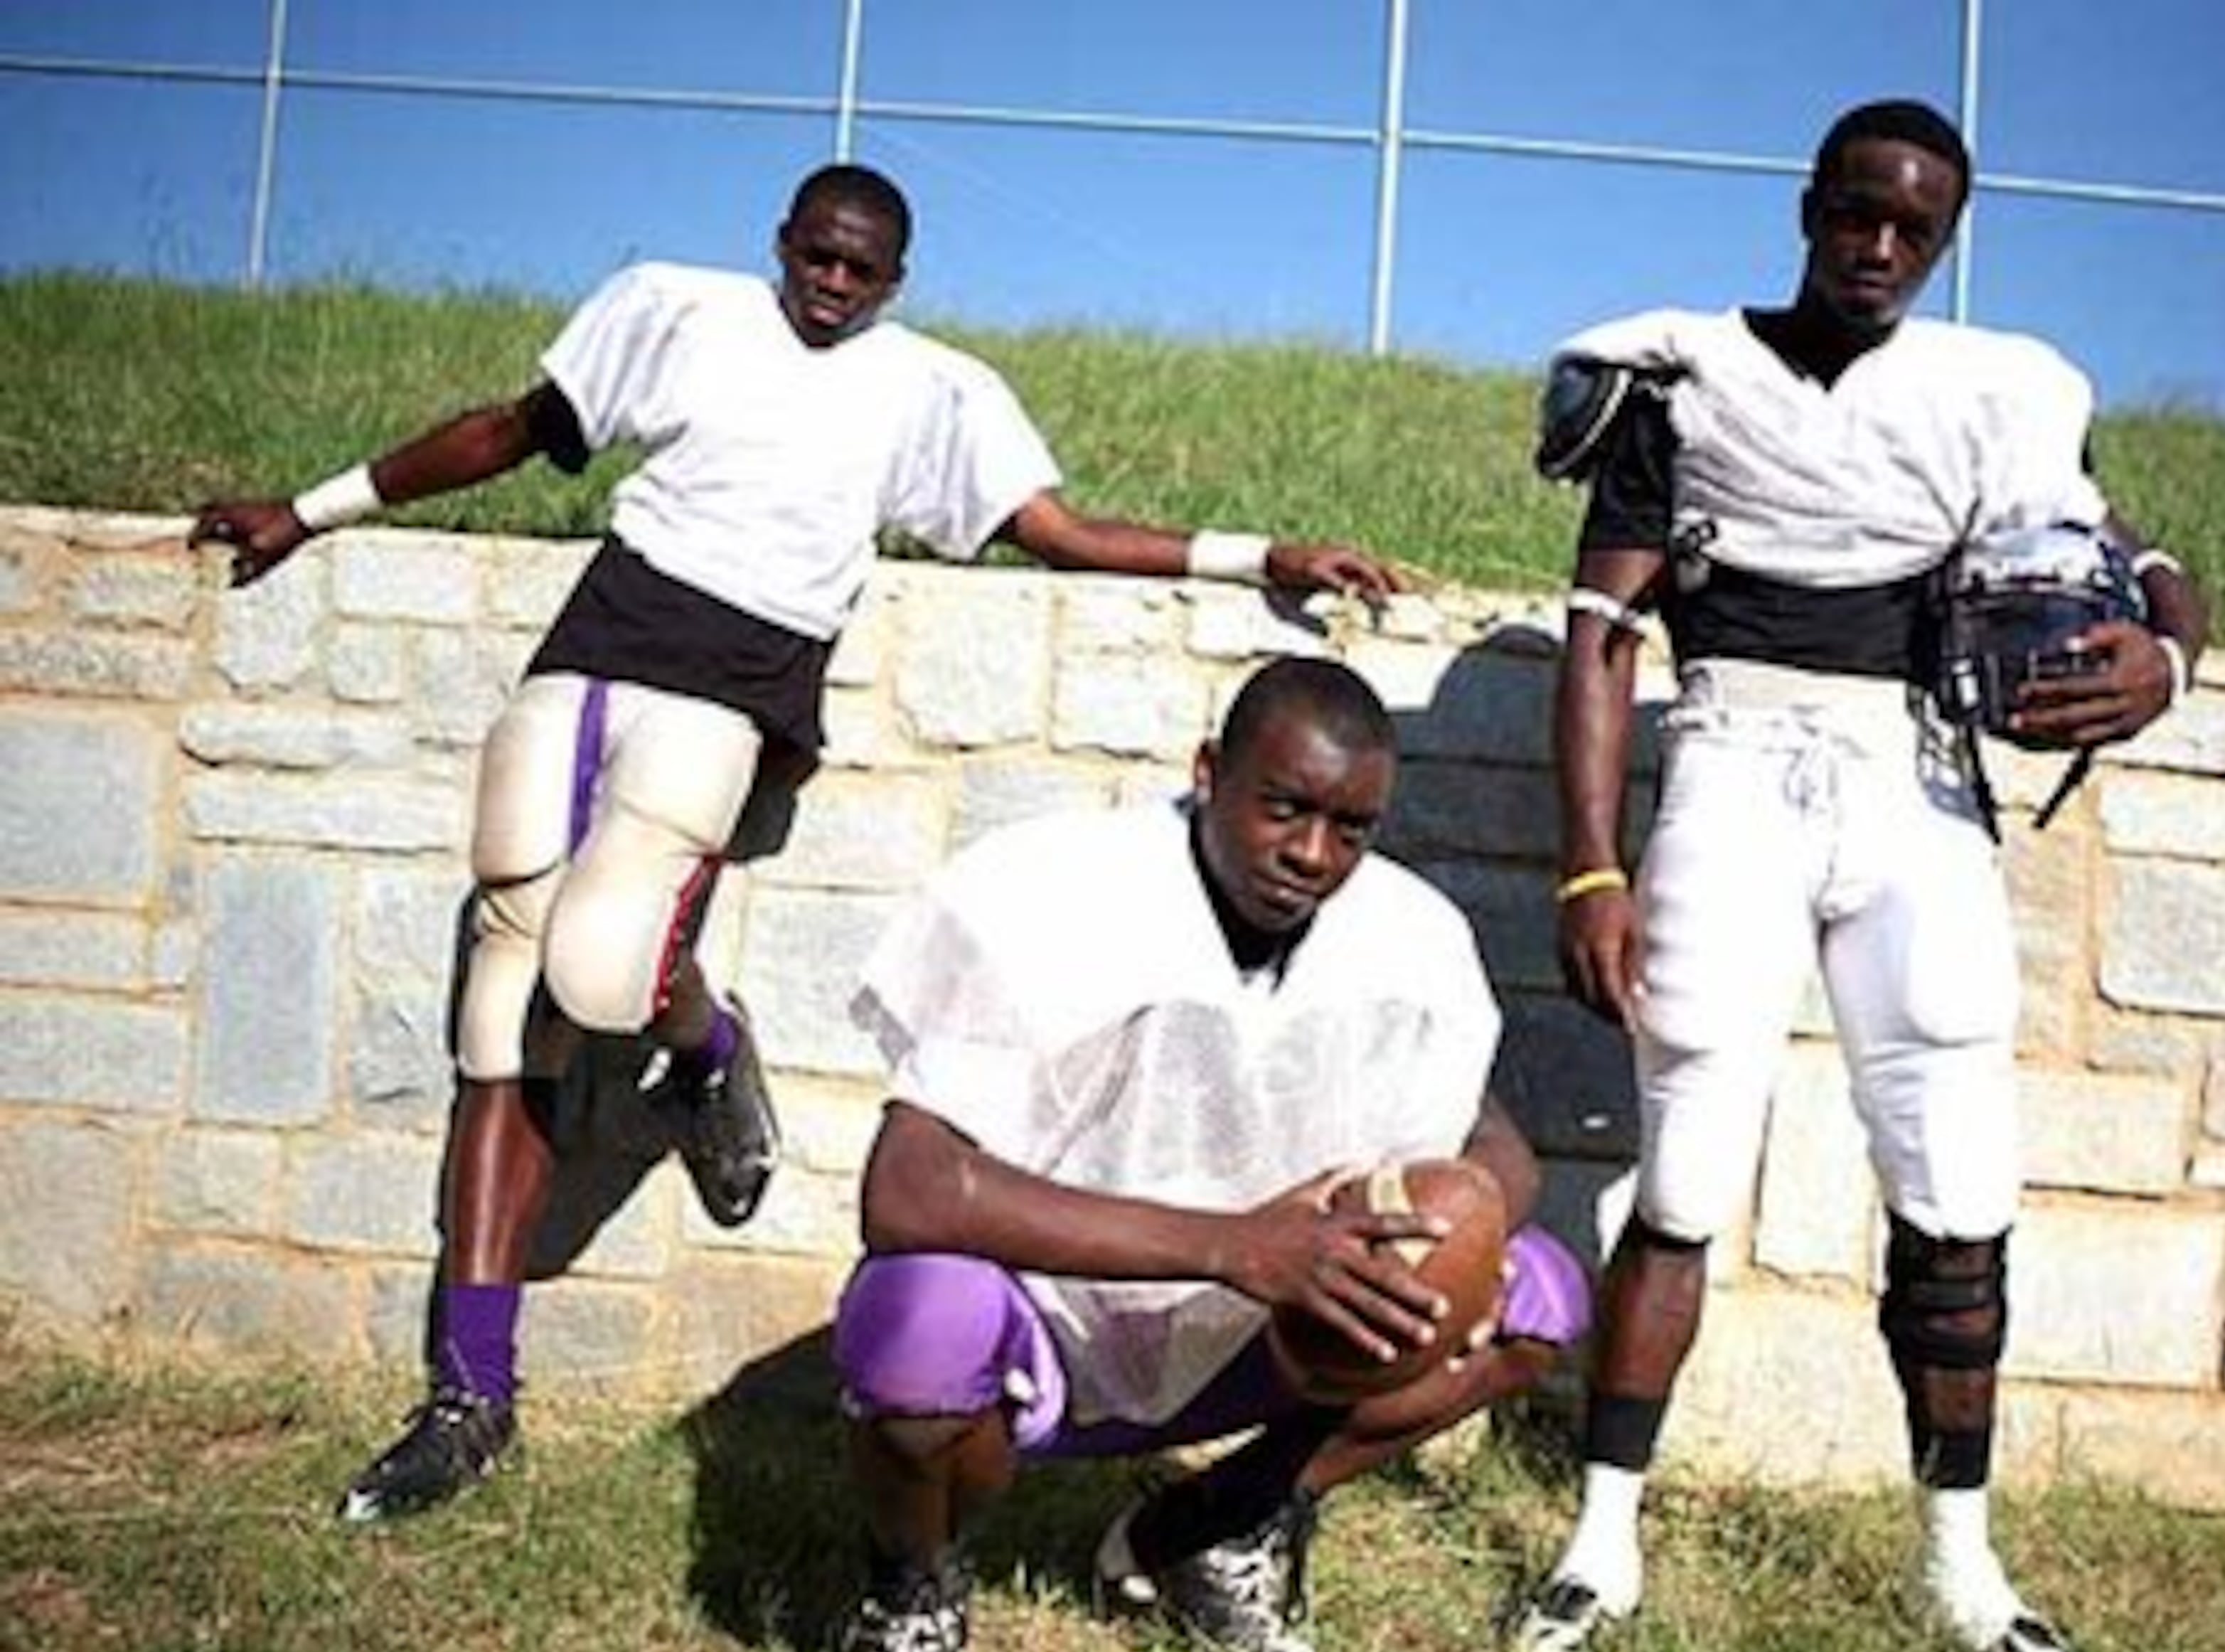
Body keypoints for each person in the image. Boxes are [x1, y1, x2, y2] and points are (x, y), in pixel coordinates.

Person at [187, 164, 1399, 1528]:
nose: (832, 284)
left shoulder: (932, 389)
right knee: (501, 991)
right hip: (600, 641)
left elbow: (1056, 534)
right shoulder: (677, 310)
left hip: (738, 681)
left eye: (861, 270)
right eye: (816, 257)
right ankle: (471, 1391)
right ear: (780, 244)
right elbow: (513, 431)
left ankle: (710, 1050)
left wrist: (1257, 557)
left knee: (602, 970)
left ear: (896, 280)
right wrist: (309, 508)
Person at [1506, 99, 2214, 1652]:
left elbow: (2148, 557)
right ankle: (1602, 1534)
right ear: (1810, 205)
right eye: (1859, 213)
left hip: (1915, 782)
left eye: (1916, 226)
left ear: (1945, 236)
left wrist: (2170, 659)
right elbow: (1601, 636)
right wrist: (1591, 858)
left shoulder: (1997, 391)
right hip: (1736, 761)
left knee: (1957, 1181)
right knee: (1684, 1166)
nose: (1882, 247)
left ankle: (1964, 1564)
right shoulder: (1682, 380)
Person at [827, 656, 1591, 1652]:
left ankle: (1219, 1521)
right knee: (917, 1320)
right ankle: (910, 1592)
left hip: (1258, 1334)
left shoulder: (1405, 935)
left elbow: (1500, 1155)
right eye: (1284, 808)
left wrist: (1442, 1245)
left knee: (1532, 1299)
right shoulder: (1061, 884)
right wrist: (1235, 1244)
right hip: (1050, 1324)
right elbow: (907, 1191)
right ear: (1208, 773)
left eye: (1351, 827)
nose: (1313, 855)